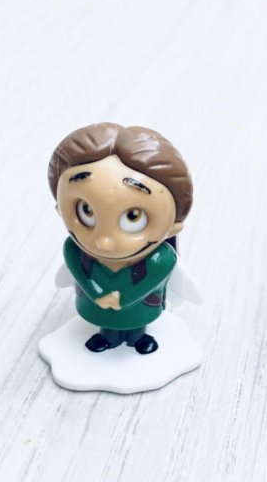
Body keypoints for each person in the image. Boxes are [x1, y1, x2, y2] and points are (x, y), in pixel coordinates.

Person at [48, 123, 193, 354]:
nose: (103, 242)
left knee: (136, 325)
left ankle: (138, 338)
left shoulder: (161, 259)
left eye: (133, 217)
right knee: (108, 326)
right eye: (86, 211)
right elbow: (80, 275)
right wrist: (97, 293)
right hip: (96, 307)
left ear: (172, 227)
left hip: (139, 308)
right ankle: (108, 337)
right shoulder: (74, 250)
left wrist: (121, 299)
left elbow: (147, 283)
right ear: (60, 209)